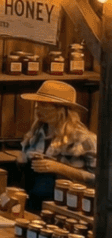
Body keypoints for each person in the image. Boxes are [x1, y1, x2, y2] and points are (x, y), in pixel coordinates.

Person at [16, 80, 96, 211]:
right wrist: (22, 161)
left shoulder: (85, 139)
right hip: (32, 203)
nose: (37, 107)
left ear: (61, 109)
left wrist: (60, 168)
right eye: (37, 103)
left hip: (65, 207)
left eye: (44, 104)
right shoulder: (36, 133)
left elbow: (98, 180)